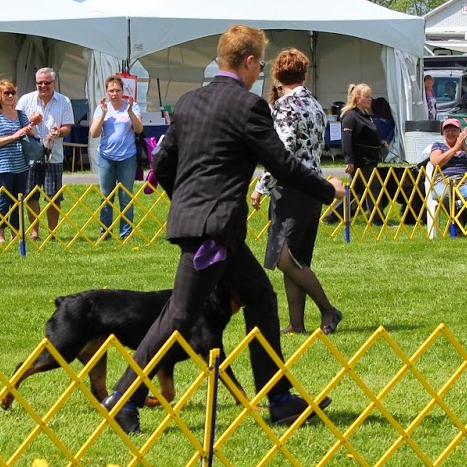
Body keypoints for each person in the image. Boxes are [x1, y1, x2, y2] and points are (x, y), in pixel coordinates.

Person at [103, 26, 346, 435]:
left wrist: (184, 205)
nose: (261, 73)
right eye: (261, 65)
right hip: (214, 229)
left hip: (209, 226)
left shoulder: (188, 102)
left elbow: (161, 165)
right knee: (179, 314)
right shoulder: (248, 107)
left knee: (261, 297)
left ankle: (279, 397)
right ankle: (122, 396)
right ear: (249, 62)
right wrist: (329, 189)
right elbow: (281, 165)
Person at [250, 49, 341, 335]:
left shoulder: (284, 107)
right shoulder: (315, 104)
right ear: (304, 73)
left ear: (278, 75)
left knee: (283, 257)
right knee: (297, 258)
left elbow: (283, 152)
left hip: (292, 189)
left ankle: (328, 309)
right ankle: (296, 323)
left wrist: (261, 187)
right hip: (314, 186)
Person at [18, 67, 75, 240]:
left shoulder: (64, 101)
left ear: (54, 83)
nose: (43, 86)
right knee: (30, 195)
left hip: (54, 155)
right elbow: (16, 125)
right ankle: (35, 232)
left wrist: (59, 131)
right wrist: (30, 122)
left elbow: (68, 127)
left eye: (46, 83)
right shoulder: (25, 100)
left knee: (53, 196)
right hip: (31, 156)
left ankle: (52, 232)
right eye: (39, 83)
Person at [88, 75, 143, 241]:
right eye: (111, 91)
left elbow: (139, 129)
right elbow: (94, 133)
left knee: (126, 195)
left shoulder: (132, 107)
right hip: (106, 157)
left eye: (117, 90)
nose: (114, 94)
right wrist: (103, 114)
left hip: (127, 156)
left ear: (123, 91)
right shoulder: (102, 108)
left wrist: (130, 112)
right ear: (106, 92)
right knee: (106, 194)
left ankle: (126, 232)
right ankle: (104, 231)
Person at [0, 79, 36, 243]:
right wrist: (13, 137)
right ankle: (0, 233)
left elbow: (32, 134)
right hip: (4, 165)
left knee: (18, 200)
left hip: (22, 163)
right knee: (4, 200)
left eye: (12, 92)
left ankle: (16, 233)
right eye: (6, 93)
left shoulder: (21, 114)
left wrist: (32, 128)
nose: (10, 96)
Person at [427, 116, 467, 234]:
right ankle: (459, 228)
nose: (450, 133)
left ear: (460, 132)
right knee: (445, 195)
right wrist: (454, 149)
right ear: (443, 132)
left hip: (464, 182)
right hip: (442, 181)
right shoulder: (438, 146)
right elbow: (436, 162)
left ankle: (456, 225)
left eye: (454, 130)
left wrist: (464, 147)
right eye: (447, 130)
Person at [340, 83, 385, 224]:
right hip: (361, 160)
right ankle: (377, 220)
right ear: (357, 98)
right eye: (367, 97)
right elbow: (346, 140)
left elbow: (368, 135)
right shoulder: (350, 116)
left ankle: (334, 217)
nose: (370, 99)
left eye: (370, 96)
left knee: (354, 191)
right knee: (374, 188)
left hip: (370, 159)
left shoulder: (365, 115)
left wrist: (380, 142)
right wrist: (349, 160)